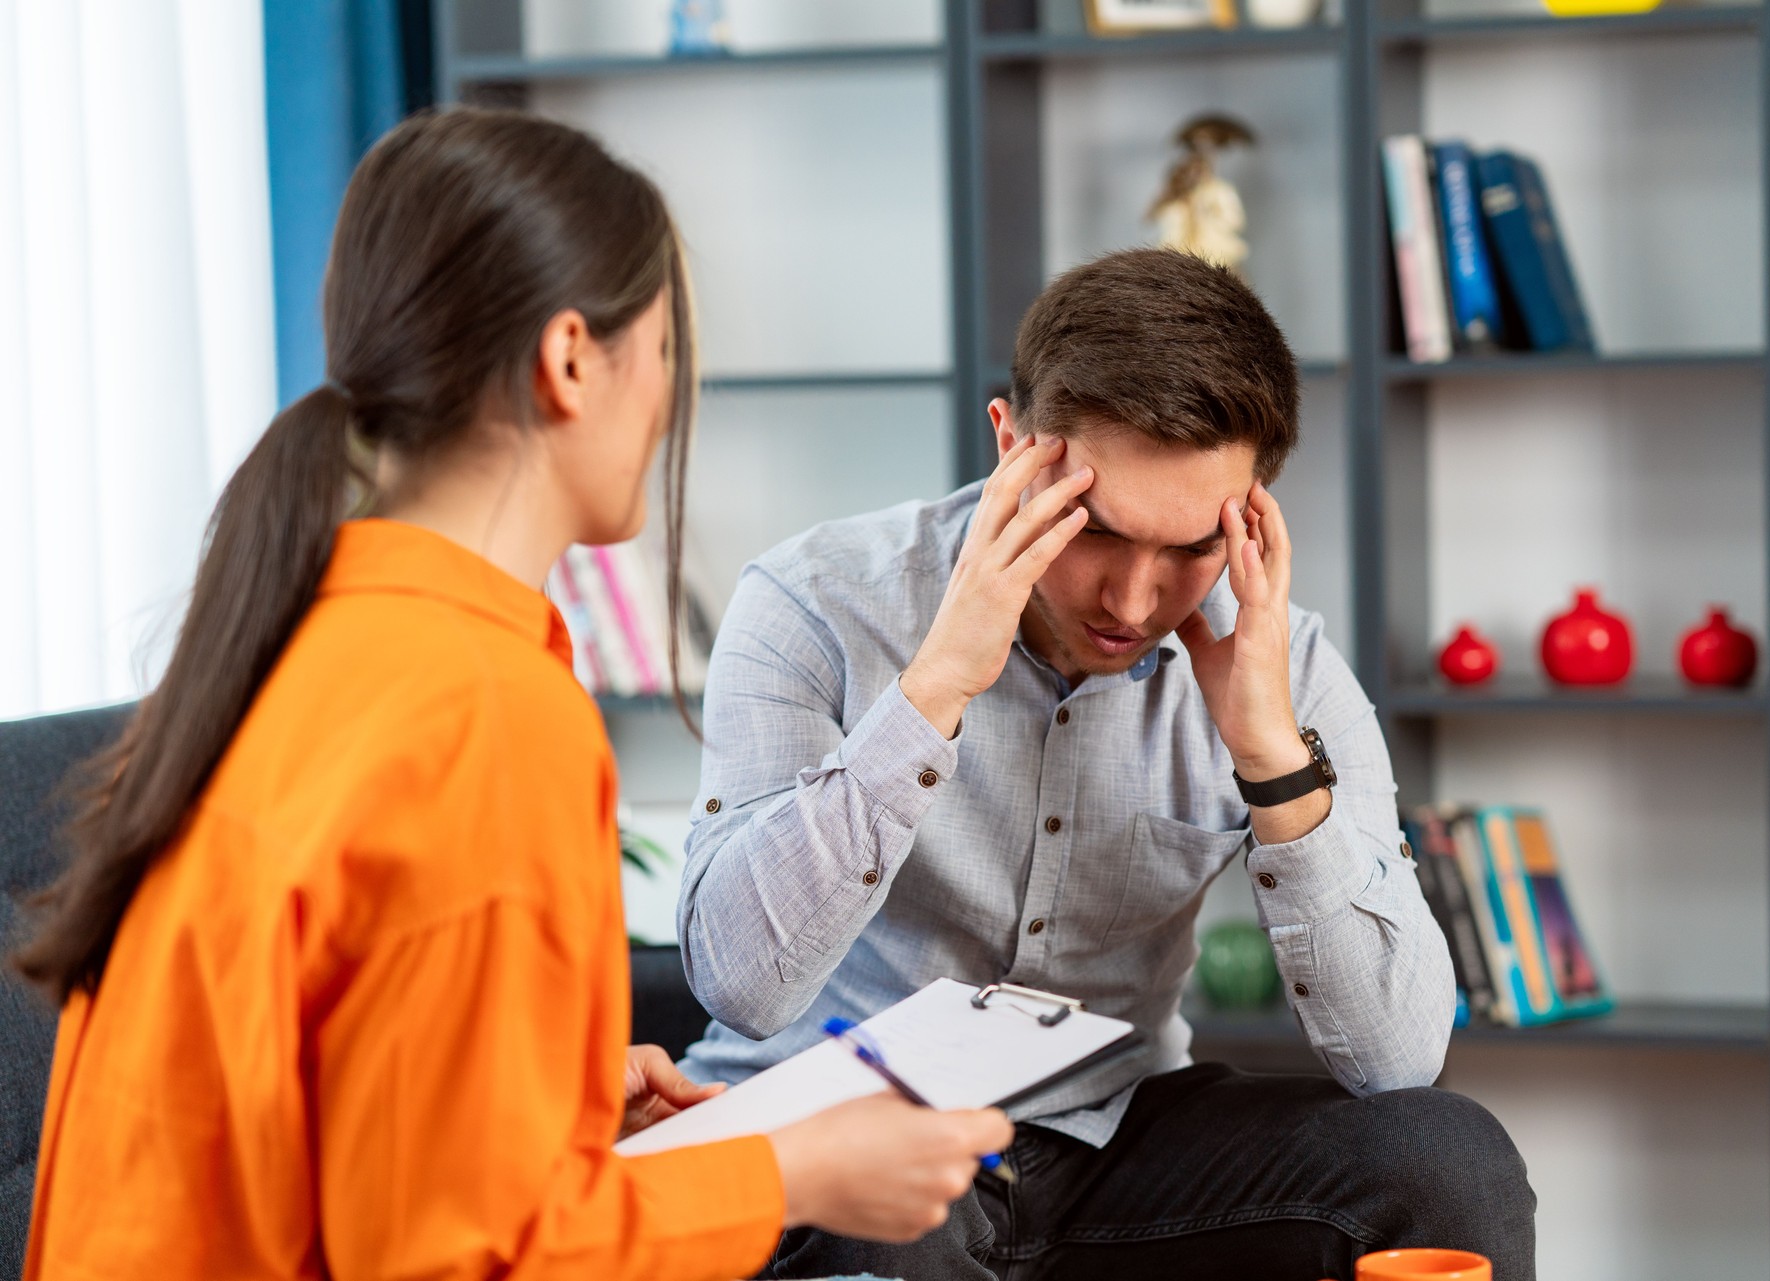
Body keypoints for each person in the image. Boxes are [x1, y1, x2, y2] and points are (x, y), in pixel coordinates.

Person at [11, 107, 1008, 1281]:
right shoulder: (484, 712)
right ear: (573, 358)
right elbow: (459, 1257)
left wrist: (555, 1112)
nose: (672, 398)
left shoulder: (293, 646)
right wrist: (797, 1171)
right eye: (669, 351)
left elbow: (341, 1119)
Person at [677, 248, 1538, 1280]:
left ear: (1253, 507)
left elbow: (1399, 1059)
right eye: (1096, 530)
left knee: (1448, 1162)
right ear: (1011, 447)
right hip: (844, 1129)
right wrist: (936, 690)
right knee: (885, 1237)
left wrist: (1269, 756)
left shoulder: (1283, 661)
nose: (1132, 603)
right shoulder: (817, 603)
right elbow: (740, 988)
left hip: (1110, 1136)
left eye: (1188, 549)